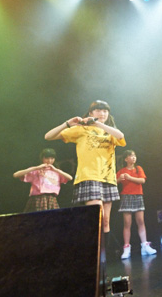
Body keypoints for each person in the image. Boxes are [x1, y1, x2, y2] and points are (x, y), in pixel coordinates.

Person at [44, 100, 125, 234]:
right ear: (91, 113)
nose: (102, 113)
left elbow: (121, 136)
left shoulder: (110, 132)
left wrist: (97, 123)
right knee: (97, 217)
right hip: (89, 176)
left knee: (106, 222)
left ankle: (104, 248)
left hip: (108, 178)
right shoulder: (81, 129)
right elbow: (48, 136)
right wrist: (67, 123)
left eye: (105, 111)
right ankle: (91, 247)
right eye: (98, 110)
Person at [116, 150, 157, 259]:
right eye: (130, 156)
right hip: (126, 196)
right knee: (127, 223)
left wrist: (130, 178)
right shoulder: (122, 171)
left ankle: (144, 245)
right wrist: (119, 179)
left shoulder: (139, 168)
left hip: (138, 196)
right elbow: (114, 182)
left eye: (134, 155)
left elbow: (142, 181)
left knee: (141, 221)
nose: (133, 157)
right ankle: (126, 248)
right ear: (126, 159)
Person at [13, 148, 73, 212]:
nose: (49, 161)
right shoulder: (36, 171)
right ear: (42, 158)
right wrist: (36, 168)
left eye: (52, 158)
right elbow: (15, 175)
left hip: (52, 199)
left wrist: (55, 169)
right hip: (37, 199)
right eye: (47, 158)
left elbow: (70, 178)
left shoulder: (57, 172)